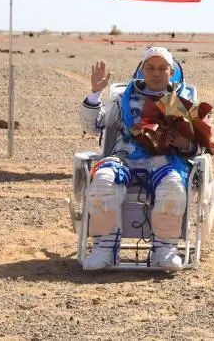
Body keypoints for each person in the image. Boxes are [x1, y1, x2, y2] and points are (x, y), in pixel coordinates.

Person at [78, 46, 207, 270]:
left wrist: (185, 144)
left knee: (173, 186)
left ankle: (164, 249)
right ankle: (104, 248)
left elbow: (202, 144)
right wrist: (95, 93)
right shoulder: (124, 99)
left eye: (162, 68)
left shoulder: (183, 101)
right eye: (150, 68)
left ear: (171, 72)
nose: (156, 73)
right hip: (124, 158)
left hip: (164, 162)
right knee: (103, 180)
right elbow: (94, 126)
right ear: (142, 71)